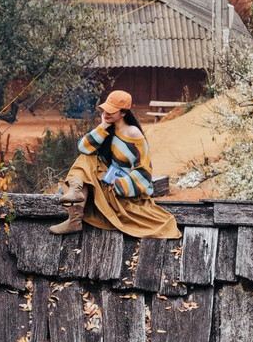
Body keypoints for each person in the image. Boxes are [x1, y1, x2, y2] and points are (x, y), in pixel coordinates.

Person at [49, 90, 181, 238]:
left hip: (122, 191)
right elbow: (83, 147)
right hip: (108, 181)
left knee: (88, 160)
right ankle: (75, 202)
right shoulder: (108, 129)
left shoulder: (133, 133)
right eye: (105, 109)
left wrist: (120, 184)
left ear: (123, 113)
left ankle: (75, 212)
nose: (106, 113)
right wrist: (103, 126)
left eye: (111, 111)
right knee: (87, 158)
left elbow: (144, 172)